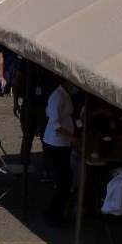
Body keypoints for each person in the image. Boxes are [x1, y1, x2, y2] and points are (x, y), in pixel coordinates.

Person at [43, 77, 79, 223]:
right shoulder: (57, 97)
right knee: (65, 180)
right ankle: (53, 214)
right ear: (67, 82)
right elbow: (54, 123)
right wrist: (71, 137)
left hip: (62, 144)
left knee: (65, 179)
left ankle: (57, 213)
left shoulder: (64, 95)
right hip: (56, 144)